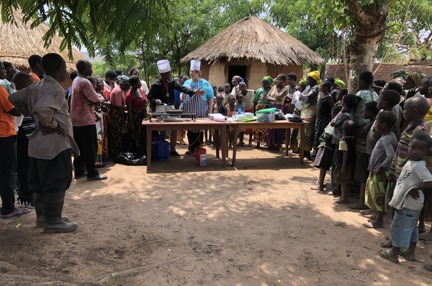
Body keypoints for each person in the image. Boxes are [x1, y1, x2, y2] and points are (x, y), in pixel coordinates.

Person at [9, 53, 79, 232]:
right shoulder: (54, 89)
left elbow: (14, 98)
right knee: (57, 180)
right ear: (59, 69)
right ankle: (54, 221)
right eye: (64, 68)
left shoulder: (36, 86)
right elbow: (42, 108)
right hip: (55, 143)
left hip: (38, 143)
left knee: (40, 182)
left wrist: (30, 112)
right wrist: (51, 123)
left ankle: (43, 217)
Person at [379, 133, 432, 264]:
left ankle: (394, 253)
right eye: (412, 147)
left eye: (420, 150)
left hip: (408, 204)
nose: (415, 151)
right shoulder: (412, 161)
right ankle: (410, 252)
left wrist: (416, 188)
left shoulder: (420, 166)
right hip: (410, 205)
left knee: (398, 227)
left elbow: (430, 181)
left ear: (426, 152)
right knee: (412, 228)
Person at [149, 59, 203, 156]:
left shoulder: (171, 82)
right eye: (166, 74)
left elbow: (182, 88)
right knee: (162, 130)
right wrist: (155, 100)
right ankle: (161, 150)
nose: (168, 76)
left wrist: (193, 92)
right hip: (161, 109)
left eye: (169, 74)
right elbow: (150, 97)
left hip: (171, 108)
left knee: (173, 129)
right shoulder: (155, 85)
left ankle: (172, 149)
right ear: (162, 74)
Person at [70, 60, 107, 181]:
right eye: (90, 67)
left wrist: (92, 101)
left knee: (80, 147)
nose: (91, 69)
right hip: (85, 119)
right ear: (85, 69)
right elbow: (95, 99)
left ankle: (80, 171)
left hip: (76, 119)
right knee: (90, 147)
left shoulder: (76, 79)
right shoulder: (85, 82)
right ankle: (92, 173)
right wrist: (98, 100)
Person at [0, 72, 29, 218]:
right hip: (4, 134)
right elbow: (14, 110)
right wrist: (28, 108)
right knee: (7, 172)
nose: (4, 72)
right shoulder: (0, 89)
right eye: (2, 70)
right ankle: (8, 207)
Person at [363, 111, 397, 228]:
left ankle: (379, 220)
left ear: (383, 125)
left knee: (379, 195)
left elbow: (390, 155)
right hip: (377, 170)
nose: (375, 124)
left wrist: (381, 167)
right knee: (374, 193)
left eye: (376, 122)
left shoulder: (386, 139)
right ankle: (375, 214)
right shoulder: (388, 136)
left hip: (380, 173)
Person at [350, 101, 379, 210]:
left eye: (365, 111)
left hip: (363, 154)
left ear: (370, 113)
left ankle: (362, 202)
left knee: (363, 178)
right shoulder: (370, 123)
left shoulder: (371, 124)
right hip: (363, 153)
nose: (363, 112)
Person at [12, 72, 35, 207]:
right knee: (24, 167)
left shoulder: (25, 97)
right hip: (23, 137)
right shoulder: (17, 98)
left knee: (29, 167)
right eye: (31, 83)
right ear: (25, 84)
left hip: (29, 136)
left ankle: (28, 194)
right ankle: (25, 196)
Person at [182, 59, 214, 155]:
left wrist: (210, 111)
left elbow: (211, 98)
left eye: (193, 71)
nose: (191, 73)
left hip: (200, 112)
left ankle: (198, 149)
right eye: (190, 71)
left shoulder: (205, 83)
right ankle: (191, 149)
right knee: (190, 130)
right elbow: (183, 92)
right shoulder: (187, 83)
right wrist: (181, 95)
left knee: (199, 131)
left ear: (198, 73)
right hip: (188, 112)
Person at [329, 94, 358, 196]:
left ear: (344, 103)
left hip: (340, 141)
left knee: (337, 164)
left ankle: (336, 187)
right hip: (348, 140)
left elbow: (332, 123)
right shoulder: (353, 114)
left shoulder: (343, 114)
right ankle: (338, 187)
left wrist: (340, 111)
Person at [312, 105, 341, 193]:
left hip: (326, 146)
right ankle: (323, 183)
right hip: (329, 146)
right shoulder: (338, 122)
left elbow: (328, 133)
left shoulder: (334, 122)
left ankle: (320, 185)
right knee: (326, 166)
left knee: (323, 167)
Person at [333, 120, 356, 204]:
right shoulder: (353, 140)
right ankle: (343, 196)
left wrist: (343, 166)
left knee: (343, 181)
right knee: (345, 181)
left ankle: (344, 198)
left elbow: (345, 154)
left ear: (342, 130)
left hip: (344, 164)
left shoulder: (342, 141)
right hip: (350, 163)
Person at [299, 71, 321, 160]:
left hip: (310, 110)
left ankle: (307, 152)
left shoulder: (315, 88)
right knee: (302, 131)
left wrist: (302, 96)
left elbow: (309, 95)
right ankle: (303, 151)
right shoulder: (308, 87)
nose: (307, 80)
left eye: (309, 79)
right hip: (305, 109)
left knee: (308, 131)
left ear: (313, 80)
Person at [108, 75, 130, 159]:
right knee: (116, 133)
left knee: (116, 133)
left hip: (116, 113)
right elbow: (119, 106)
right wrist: (123, 118)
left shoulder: (117, 89)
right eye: (127, 85)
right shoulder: (118, 91)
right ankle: (115, 153)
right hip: (116, 114)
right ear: (123, 84)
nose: (128, 86)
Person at [266, 73, 288, 151]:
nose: (277, 80)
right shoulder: (273, 87)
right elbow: (267, 96)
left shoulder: (285, 89)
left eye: (279, 79)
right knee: (270, 126)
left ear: (283, 81)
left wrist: (275, 88)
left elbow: (279, 96)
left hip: (278, 109)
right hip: (271, 107)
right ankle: (270, 144)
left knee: (278, 127)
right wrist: (274, 99)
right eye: (277, 78)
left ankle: (277, 145)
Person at [126, 75, 147, 155]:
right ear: (134, 84)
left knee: (144, 134)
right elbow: (129, 111)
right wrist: (131, 123)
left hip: (143, 116)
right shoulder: (129, 95)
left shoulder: (140, 91)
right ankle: (139, 153)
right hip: (136, 118)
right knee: (138, 135)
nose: (140, 83)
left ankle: (145, 151)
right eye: (138, 82)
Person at [313, 80, 334, 152]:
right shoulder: (322, 95)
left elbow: (332, 108)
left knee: (321, 135)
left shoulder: (328, 97)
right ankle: (316, 151)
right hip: (319, 119)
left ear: (326, 88)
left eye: (323, 86)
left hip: (324, 119)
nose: (321, 87)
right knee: (317, 134)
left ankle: (320, 152)